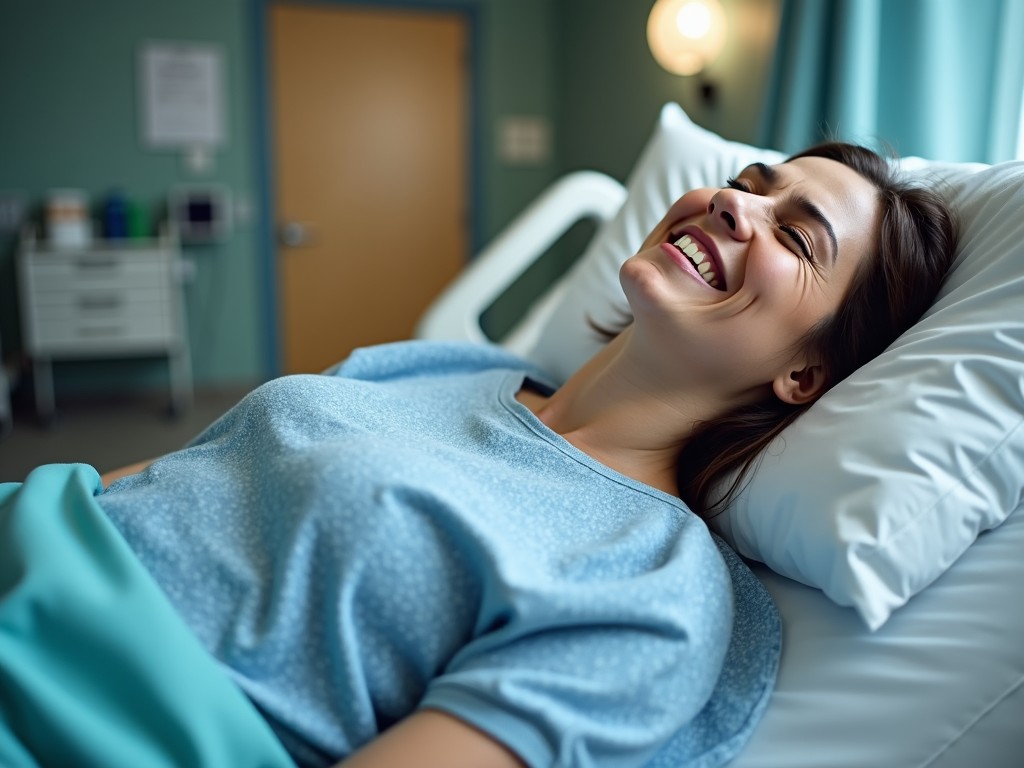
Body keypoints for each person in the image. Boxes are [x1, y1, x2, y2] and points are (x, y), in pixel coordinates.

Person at [8, 142, 957, 768]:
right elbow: (162, 484)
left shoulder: (654, 585)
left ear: (806, 374)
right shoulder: (450, 366)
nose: (737, 207)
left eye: (796, 235)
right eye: (751, 182)